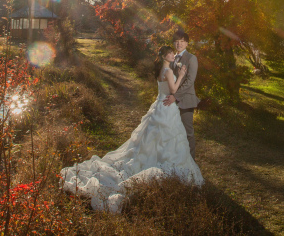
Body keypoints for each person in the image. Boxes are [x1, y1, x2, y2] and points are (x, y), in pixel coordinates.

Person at [60, 44, 203, 212]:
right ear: (165, 56)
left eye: (173, 52)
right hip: (167, 108)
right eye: (170, 53)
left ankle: (154, 158)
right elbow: (173, 90)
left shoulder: (161, 70)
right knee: (167, 137)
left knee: (156, 138)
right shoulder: (169, 71)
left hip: (159, 106)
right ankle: (159, 162)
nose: (173, 55)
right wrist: (182, 75)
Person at [163, 29, 200, 159]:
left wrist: (175, 96)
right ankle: (177, 160)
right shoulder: (172, 58)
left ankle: (191, 162)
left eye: (182, 42)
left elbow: (190, 81)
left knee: (187, 132)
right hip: (172, 100)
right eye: (177, 42)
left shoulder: (191, 58)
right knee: (174, 131)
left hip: (186, 99)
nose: (179, 44)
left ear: (187, 44)